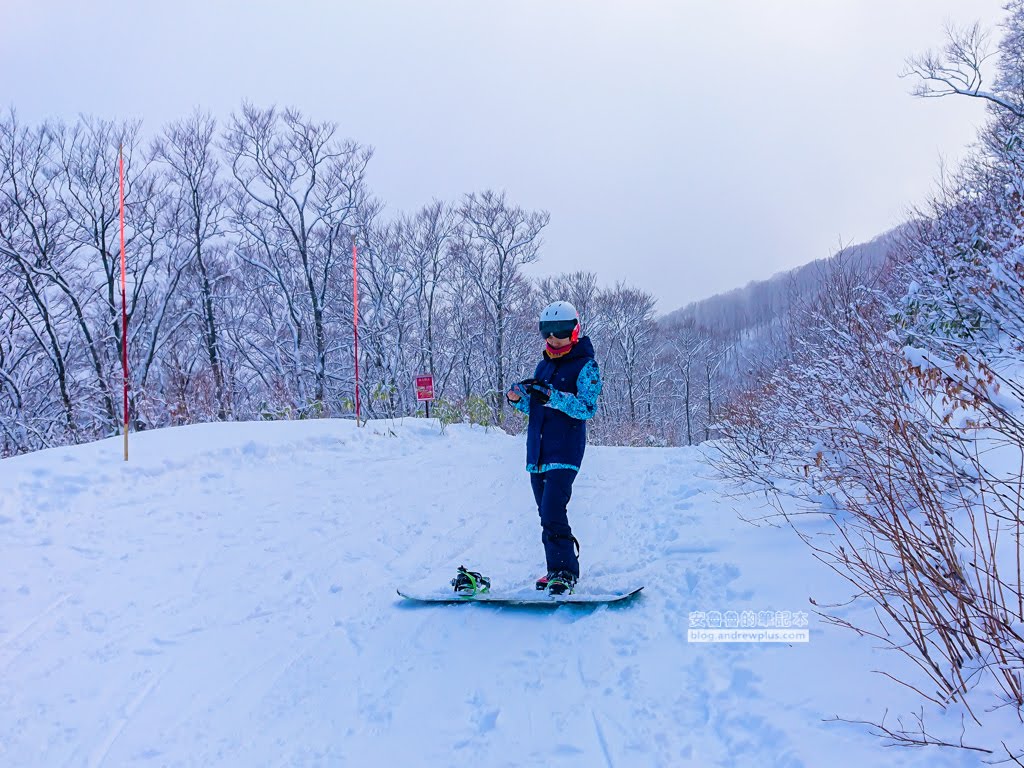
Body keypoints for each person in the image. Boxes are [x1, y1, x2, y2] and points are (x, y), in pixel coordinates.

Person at [506, 301, 602, 595]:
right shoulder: (543, 365)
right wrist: (517, 399)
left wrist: (553, 396)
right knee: (545, 513)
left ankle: (565, 571)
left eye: (560, 332)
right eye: (547, 332)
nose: (553, 339)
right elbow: (537, 407)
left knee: (552, 509)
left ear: (574, 330)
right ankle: (555, 569)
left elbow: (587, 407)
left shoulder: (586, 365)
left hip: (565, 450)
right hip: (537, 452)